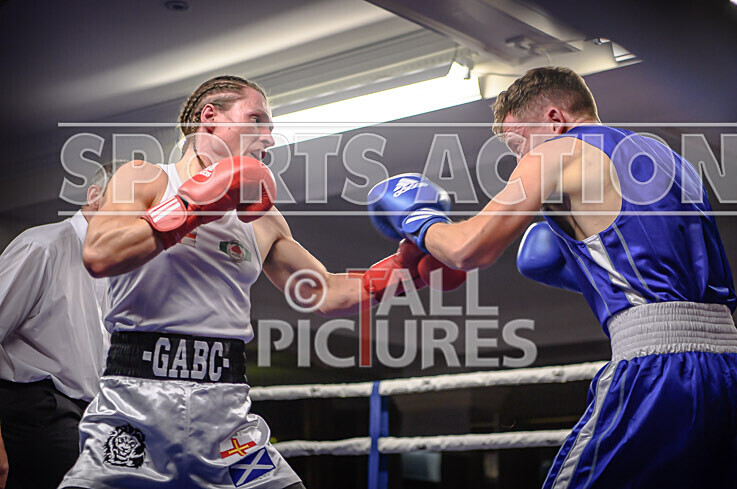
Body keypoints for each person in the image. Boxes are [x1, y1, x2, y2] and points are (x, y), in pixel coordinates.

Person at [367, 67, 737, 488]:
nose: (519, 161)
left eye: (517, 144)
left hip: (657, 371)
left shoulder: (557, 152)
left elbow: (468, 248)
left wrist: (418, 218)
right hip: (734, 373)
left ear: (553, 119)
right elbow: (655, 268)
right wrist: (582, 268)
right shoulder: (669, 158)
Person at [59, 75, 463, 489]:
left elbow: (324, 292)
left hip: (226, 420)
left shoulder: (263, 219)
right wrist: (193, 204)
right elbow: (100, 254)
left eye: (270, 128)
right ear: (210, 117)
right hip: (135, 404)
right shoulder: (145, 178)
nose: (268, 138)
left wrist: (406, 269)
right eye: (256, 120)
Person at [0, 163, 114, 489]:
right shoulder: (43, 246)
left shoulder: (122, 270)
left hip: (91, 413)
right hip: (38, 408)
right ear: (94, 196)